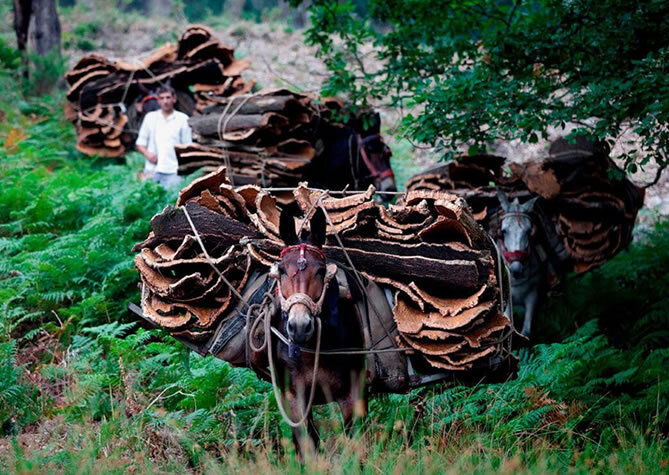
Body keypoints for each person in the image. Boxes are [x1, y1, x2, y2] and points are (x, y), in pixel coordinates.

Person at [135, 85, 192, 188]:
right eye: (162, 98)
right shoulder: (150, 117)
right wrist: (148, 154)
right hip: (152, 169)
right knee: (150, 196)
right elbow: (140, 144)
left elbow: (187, 147)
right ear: (158, 100)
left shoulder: (183, 119)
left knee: (172, 197)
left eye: (168, 97)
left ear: (174, 99)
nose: (165, 101)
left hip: (174, 171)